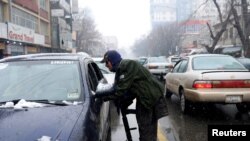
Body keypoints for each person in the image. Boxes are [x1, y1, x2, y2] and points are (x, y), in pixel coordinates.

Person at [100, 50, 168, 141]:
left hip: (149, 98)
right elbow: (129, 87)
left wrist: (105, 97)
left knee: (146, 128)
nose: (106, 65)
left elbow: (121, 89)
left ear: (112, 60)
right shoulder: (122, 68)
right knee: (147, 128)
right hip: (147, 96)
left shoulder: (126, 65)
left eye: (107, 62)